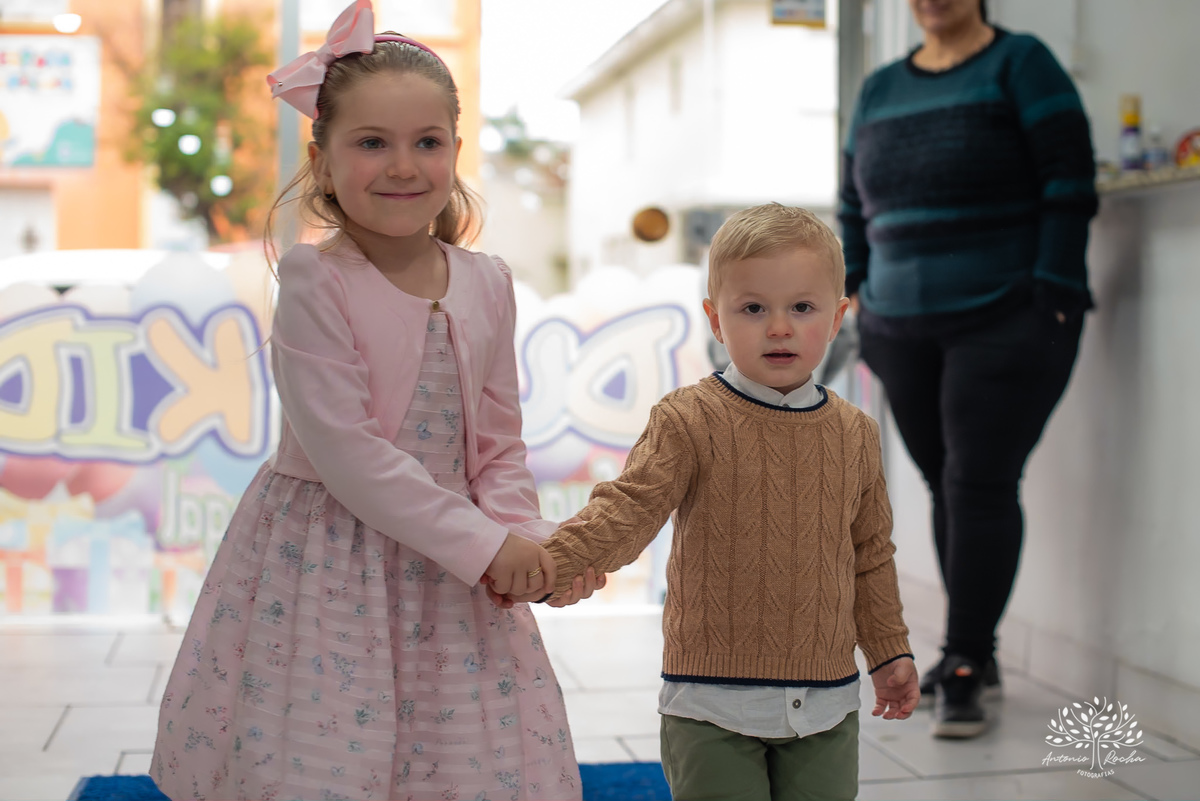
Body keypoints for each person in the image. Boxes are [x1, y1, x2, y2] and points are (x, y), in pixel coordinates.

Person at [149, 2, 601, 798]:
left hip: (454, 572)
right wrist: (489, 547)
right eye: (371, 143)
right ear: (322, 159)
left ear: (456, 152)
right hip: (331, 561)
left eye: (426, 142)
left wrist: (530, 542)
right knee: (326, 749)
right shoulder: (317, 280)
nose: (402, 165)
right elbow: (350, 455)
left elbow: (496, 446)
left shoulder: (488, 283)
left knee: (459, 753)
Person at [506, 204, 919, 801]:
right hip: (711, 703)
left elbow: (870, 554)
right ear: (716, 320)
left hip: (826, 702)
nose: (779, 327)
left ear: (837, 319)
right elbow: (629, 509)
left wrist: (889, 650)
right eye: (753, 308)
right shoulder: (688, 419)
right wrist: (554, 560)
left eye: (802, 308)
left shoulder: (854, 433)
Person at [839, 0, 1098, 738]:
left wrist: (1053, 288)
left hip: (1007, 314)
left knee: (978, 481)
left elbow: (1069, 180)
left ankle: (963, 659)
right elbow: (852, 201)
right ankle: (971, 651)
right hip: (896, 323)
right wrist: (853, 285)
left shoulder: (1022, 65)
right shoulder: (881, 87)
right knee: (943, 481)